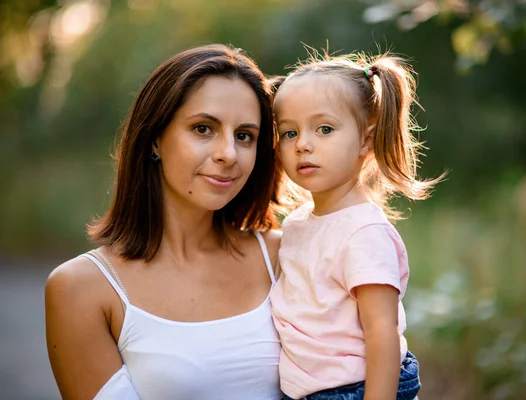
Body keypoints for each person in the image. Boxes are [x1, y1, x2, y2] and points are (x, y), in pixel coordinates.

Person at [45, 44, 283, 399]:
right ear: (155, 137)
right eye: (203, 129)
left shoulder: (285, 256)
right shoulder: (82, 289)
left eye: (244, 135)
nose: (228, 154)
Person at [270, 51, 444, 400]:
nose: (303, 144)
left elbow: (382, 333)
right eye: (289, 132)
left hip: (354, 390)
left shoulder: (363, 233)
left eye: (324, 129)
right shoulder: (300, 222)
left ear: (366, 140)